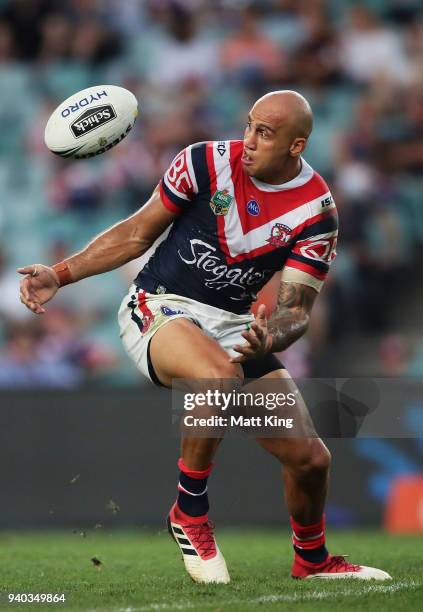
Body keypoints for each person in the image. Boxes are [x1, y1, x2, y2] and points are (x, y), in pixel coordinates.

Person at [18, 91, 390, 584]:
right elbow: (135, 234)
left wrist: (271, 337)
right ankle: (189, 511)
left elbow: (296, 311)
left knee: (310, 459)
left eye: (266, 133)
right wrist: (60, 275)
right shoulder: (203, 161)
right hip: (159, 306)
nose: (250, 140)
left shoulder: (316, 212)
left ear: (297, 145)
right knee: (217, 372)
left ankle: (313, 561)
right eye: (250, 126)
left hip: (234, 327)